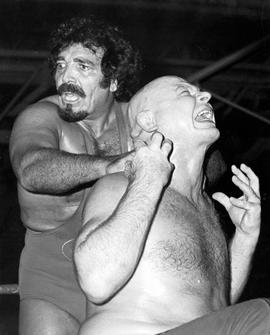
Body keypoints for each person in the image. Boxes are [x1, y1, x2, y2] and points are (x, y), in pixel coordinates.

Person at [74, 76, 267, 335]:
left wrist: (245, 237)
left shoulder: (206, 208)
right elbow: (96, 281)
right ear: (148, 121)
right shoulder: (121, 186)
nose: (206, 96)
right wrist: (149, 180)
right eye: (184, 92)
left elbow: (219, 307)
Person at [9, 16, 142, 335]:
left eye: (82, 66)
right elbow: (31, 169)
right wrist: (109, 166)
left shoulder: (137, 117)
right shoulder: (41, 116)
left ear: (113, 81)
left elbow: (204, 157)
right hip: (52, 279)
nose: (65, 77)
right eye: (60, 64)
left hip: (121, 278)